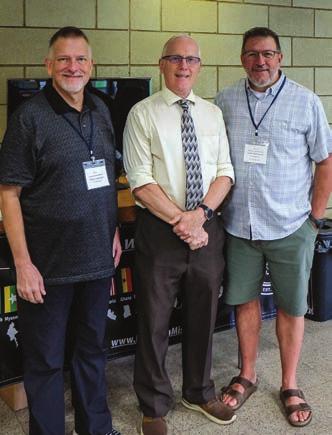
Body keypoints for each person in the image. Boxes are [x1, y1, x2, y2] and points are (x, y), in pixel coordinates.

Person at [0, 27, 122, 435]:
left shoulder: (102, 110)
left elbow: (105, 176)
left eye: (81, 59)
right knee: (46, 361)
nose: (73, 67)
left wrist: (114, 232)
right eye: (64, 59)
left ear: (92, 66)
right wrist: (23, 264)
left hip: (96, 259)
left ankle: (96, 428)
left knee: (92, 352)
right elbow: (9, 193)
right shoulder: (28, 118)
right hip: (47, 267)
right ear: (48, 65)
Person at [215, 26, 332, 427]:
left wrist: (314, 219)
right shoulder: (225, 101)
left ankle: (290, 382)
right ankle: (246, 374)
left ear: (280, 58)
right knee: (244, 301)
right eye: (251, 54)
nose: (259, 61)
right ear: (242, 58)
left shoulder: (305, 102)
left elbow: (326, 161)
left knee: (291, 306)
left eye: (267, 54)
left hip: (290, 225)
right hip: (239, 227)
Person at [123, 34, 236, 435]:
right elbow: (140, 181)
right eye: (175, 58)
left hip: (206, 228)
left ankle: (199, 391)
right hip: (161, 229)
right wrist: (183, 221)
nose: (183, 65)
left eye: (191, 59)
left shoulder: (212, 114)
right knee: (153, 321)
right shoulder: (142, 113)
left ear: (199, 66)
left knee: (204, 314)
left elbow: (225, 172)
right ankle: (153, 405)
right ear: (161, 64)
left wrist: (200, 216)